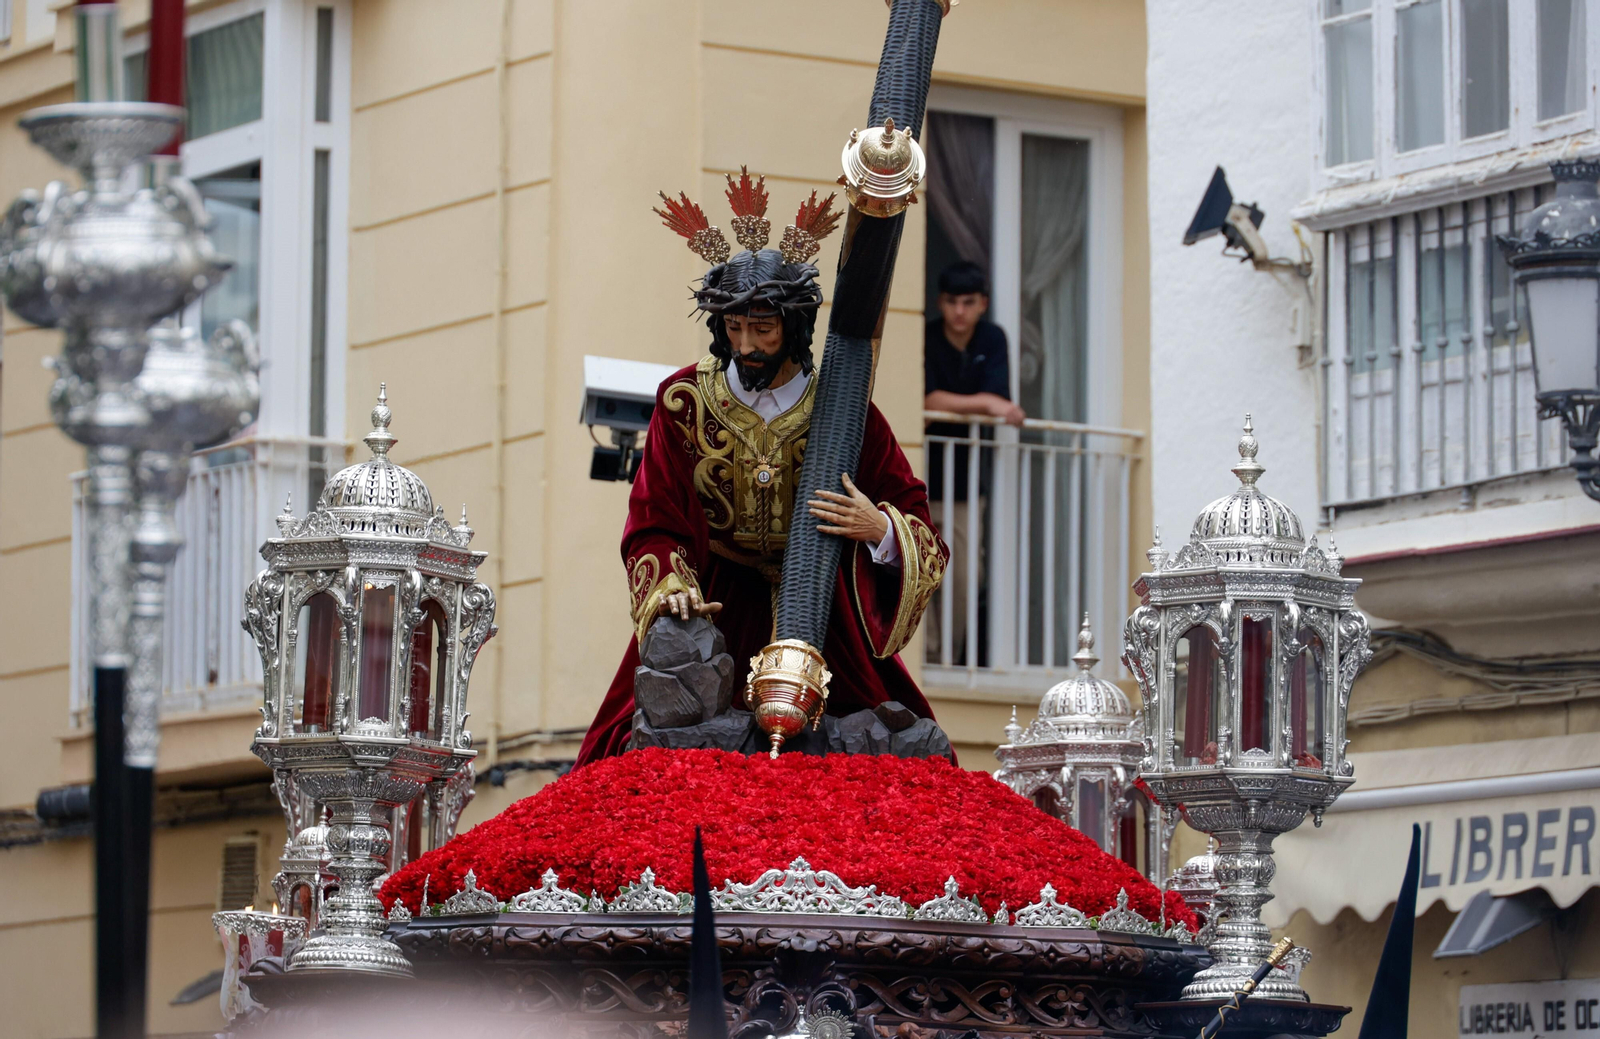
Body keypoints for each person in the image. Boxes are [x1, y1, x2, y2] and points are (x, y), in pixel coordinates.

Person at [575, 173, 949, 765]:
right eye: (734, 328)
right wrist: (672, 588)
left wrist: (879, 530)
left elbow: (922, 528)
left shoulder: (846, 410)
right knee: (628, 751)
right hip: (716, 606)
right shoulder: (683, 403)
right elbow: (654, 519)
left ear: (795, 329)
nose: (746, 344)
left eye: (763, 329)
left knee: (897, 755)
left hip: (825, 610)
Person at [923, 261, 1023, 665]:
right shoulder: (927, 336)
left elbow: (999, 402)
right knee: (918, 572)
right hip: (922, 478)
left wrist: (990, 404)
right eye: (952, 302)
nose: (959, 312)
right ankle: (926, 656)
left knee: (964, 580)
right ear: (940, 303)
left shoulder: (993, 338)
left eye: (968, 302)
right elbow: (928, 401)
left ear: (982, 304)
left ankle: (950, 657)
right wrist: (987, 403)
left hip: (966, 485)